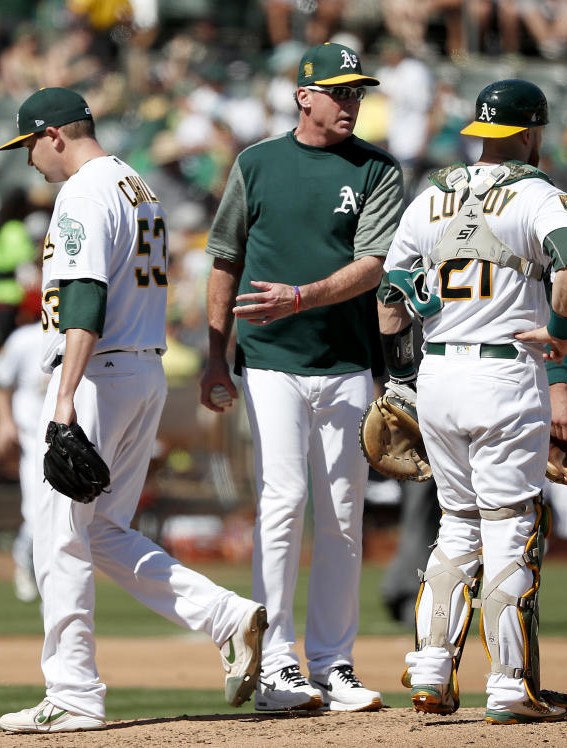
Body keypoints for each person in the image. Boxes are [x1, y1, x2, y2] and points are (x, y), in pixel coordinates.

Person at [0, 86, 267, 733]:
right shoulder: (135, 185)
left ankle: (73, 692)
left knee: (58, 537)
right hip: (139, 366)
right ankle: (224, 617)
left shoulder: (84, 191)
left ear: (55, 134)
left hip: (97, 372)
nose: (30, 159)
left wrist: (61, 403)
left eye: (31, 143)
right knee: (99, 531)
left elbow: (83, 297)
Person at [379, 78, 567, 723]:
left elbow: (390, 297)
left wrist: (399, 378)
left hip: (438, 375)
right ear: (530, 131)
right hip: (504, 374)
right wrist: (557, 336)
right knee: (511, 530)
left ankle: (430, 674)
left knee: (456, 526)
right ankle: (509, 686)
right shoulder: (536, 194)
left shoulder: (431, 195)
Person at [200, 42, 403, 713]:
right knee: (283, 502)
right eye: (338, 91)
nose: (350, 102)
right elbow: (224, 258)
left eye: (356, 91)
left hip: (347, 362)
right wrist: (212, 353)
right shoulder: (256, 163)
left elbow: (373, 265)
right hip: (270, 360)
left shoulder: (377, 168)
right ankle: (275, 662)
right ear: (303, 95)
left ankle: (333, 662)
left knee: (344, 516)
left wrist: (301, 295)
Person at [0, 319, 48, 603]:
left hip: (79, 440)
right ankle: (26, 563)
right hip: (35, 438)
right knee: (37, 515)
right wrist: (3, 421)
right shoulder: (26, 338)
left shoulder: (94, 330)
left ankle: (53, 582)